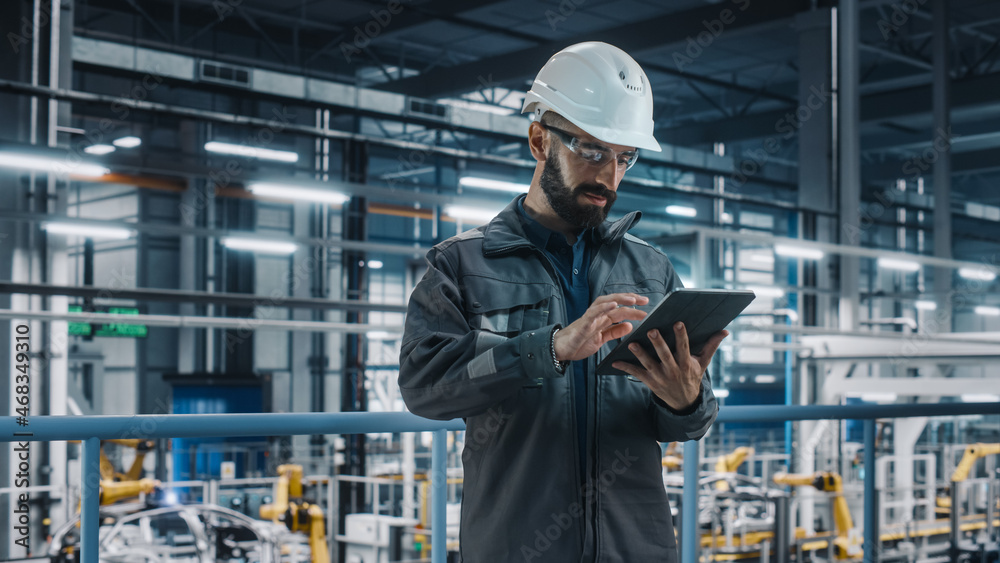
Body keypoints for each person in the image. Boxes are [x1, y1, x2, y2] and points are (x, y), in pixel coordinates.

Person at [399, 42, 726, 562]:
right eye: (592, 151)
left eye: (625, 158)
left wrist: (686, 401)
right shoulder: (461, 266)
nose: (610, 177)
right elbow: (424, 386)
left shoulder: (651, 270)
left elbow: (684, 424)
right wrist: (546, 348)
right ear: (538, 140)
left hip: (635, 549)